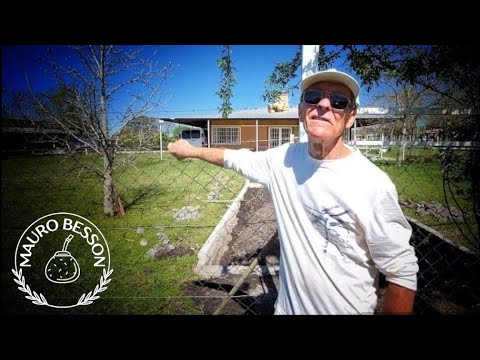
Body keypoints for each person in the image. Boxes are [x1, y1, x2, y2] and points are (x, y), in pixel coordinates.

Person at [168, 68, 419, 315]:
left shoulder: (372, 182)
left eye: (338, 101)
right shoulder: (282, 160)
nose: (323, 105)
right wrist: (190, 150)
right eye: (313, 97)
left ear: (351, 117)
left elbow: (401, 273)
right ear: (301, 110)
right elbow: (233, 157)